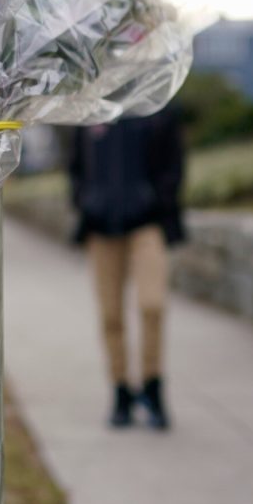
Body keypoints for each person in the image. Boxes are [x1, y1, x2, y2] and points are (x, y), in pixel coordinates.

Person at [68, 106, 186, 430]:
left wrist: (158, 198)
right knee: (110, 315)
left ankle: (152, 386)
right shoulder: (92, 109)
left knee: (152, 304)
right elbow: (76, 166)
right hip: (101, 227)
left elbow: (174, 162)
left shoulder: (156, 105)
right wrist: (86, 200)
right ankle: (120, 390)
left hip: (147, 224)